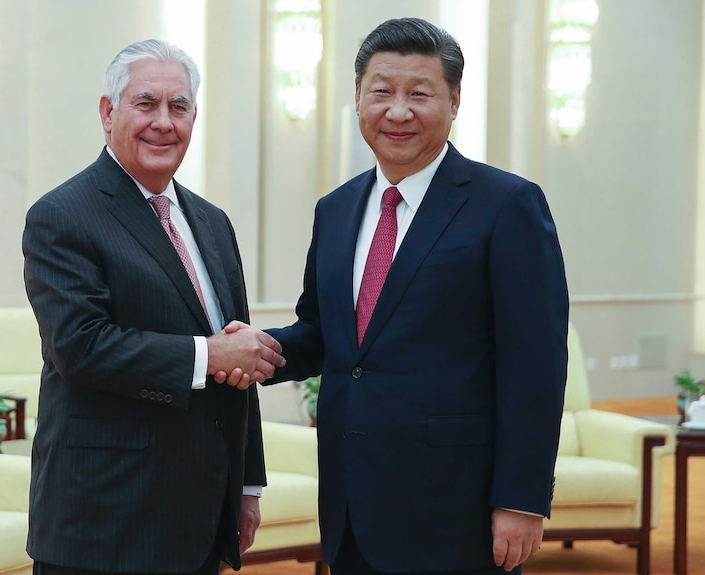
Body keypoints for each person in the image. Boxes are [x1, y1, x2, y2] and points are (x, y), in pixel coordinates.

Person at [220, 16, 569, 575]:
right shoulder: (335, 210)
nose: (398, 111)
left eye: (419, 93)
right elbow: (326, 335)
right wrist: (258, 349)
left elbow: (536, 365)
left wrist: (521, 498)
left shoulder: (507, 205)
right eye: (381, 91)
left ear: (454, 100)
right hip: (351, 503)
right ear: (358, 97)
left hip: (457, 511)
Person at [22, 39, 285, 575]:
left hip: (199, 517)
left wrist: (247, 483)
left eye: (179, 107)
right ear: (107, 112)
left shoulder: (213, 223)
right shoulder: (62, 216)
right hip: (104, 522)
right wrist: (206, 356)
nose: (164, 122)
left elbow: (237, 351)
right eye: (146, 104)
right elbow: (81, 347)